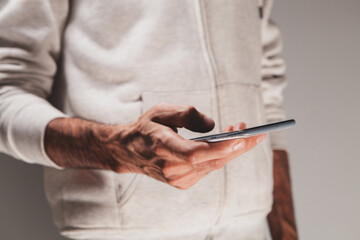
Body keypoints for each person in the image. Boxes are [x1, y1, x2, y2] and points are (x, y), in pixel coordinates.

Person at [0, 0, 297, 239]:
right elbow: (6, 92)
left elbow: (265, 84)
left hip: (252, 226)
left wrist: (285, 230)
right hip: (127, 230)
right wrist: (118, 149)